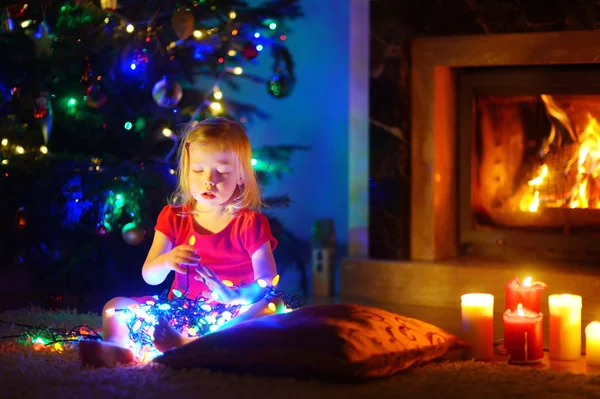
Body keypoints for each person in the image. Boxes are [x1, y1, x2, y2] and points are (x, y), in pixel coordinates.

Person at [79, 118, 281, 367]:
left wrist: (235, 296)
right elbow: (150, 276)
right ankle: (117, 348)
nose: (209, 179)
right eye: (199, 170)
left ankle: (193, 345)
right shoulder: (173, 217)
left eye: (223, 171)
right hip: (177, 311)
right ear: (187, 171)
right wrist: (167, 260)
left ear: (240, 176)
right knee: (115, 307)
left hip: (231, 314)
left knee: (272, 304)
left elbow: (268, 283)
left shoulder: (250, 223)